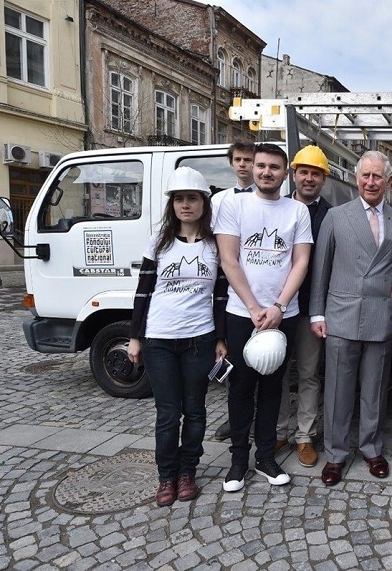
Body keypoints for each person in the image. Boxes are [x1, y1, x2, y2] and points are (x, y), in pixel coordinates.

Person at [127, 166, 228, 507]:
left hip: (199, 338)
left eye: (193, 198)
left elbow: (220, 296)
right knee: (168, 413)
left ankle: (188, 471)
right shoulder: (158, 242)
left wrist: (220, 337)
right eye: (180, 199)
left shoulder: (215, 246)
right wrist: (136, 337)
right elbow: (142, 293)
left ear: (204, 202)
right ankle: (166, 477)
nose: (186, 205)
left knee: (196, 411)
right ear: (172, 204)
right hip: (159, 339)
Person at [310, 150, 392, 486]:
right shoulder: (337, 217)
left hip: (381, 316)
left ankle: (371, 447)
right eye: (366, 175)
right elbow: (320, 269)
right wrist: (317, 312)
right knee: (338, 390)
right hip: (341, 315)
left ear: (388, 180)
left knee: (375, 389)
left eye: (377, 176)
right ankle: (336, 454)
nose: (371, 182)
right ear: (356, 179)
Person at [215, 143, 313, 491]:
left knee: (274, 387)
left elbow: (300, 261)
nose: (266, 172)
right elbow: (229, 260)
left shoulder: (297, 211)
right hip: (243, 313)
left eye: (274, 167)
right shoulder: (233, 204)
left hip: (283, 314)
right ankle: (238, 460)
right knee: (241, 387)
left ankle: (266, 457)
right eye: (261, 166)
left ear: (285, 173)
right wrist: (255, 308)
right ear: (251, 169)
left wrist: (279, 306)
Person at [275, 145, 333, 468]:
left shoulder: (332, 215)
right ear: (293, 174)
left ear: (323, 178)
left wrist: (324, 309)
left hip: (312, 307)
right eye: (304, 172)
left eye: (316, 173)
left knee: (309, 374)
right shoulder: (278, 209)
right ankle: (280, 429)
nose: (309, 178)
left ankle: (304, 436)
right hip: (280, 306)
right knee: (278, 371)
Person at [213, 141, 257, 441]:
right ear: (231, 163)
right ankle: (236, 421)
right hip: (226, 286)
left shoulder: (270, 199)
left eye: (248, 160)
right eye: (238, 160)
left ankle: (262, 422)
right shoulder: (219, 201)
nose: (243, 165)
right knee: (234, 362)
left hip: (259, 288)